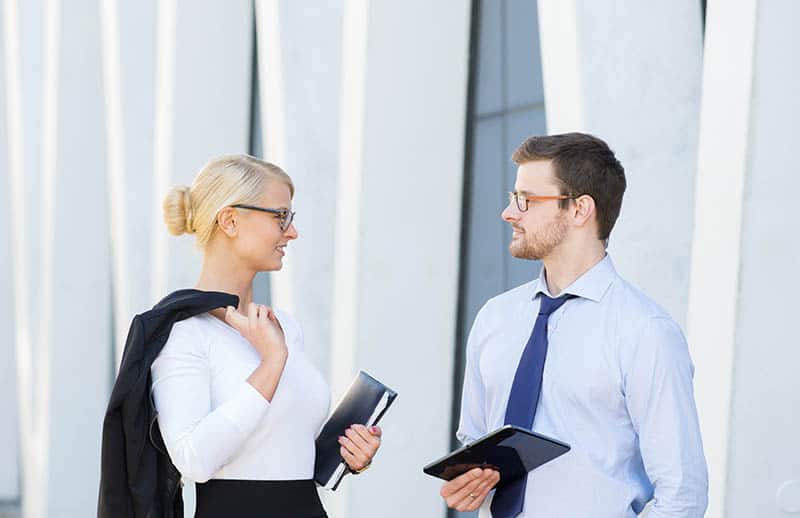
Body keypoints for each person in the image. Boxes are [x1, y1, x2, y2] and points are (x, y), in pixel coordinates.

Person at [440, 133, 708, 517]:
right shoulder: (494, 319)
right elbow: (475, 437)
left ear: (580, 209)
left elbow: (683, 493)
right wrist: (471, 482)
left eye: (526, 200)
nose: (508, 213)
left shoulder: (644, 331)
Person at [100, 155, 381, 518]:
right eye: (281, 217)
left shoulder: (285, 327)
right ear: (230, 220)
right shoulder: (186, 333)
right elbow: (194, 460)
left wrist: (350, 454)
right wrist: (271, 363)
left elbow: (282, 449)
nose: (291, 232)